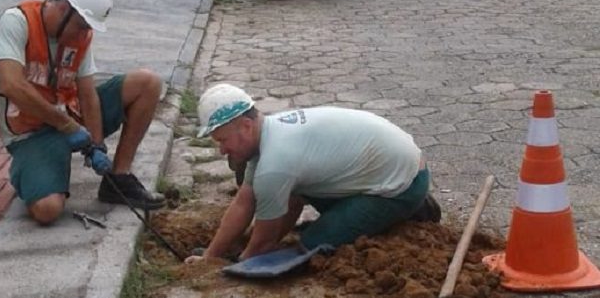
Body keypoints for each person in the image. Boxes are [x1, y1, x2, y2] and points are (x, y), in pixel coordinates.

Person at [0, 0, 165, 225]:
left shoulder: (80, 36)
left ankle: (118, 180)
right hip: (30, 133)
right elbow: (12, 85)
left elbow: (87, 94)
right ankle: (28, 171)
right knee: (47, 210)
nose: (84, 35)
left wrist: (97, 144)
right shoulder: (17, 23)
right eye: (81, 26)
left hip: (69, 120)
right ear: (62, 8)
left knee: (148, 83)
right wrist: (67, 126)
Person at [187, 83, 440, 262]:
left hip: (402, 184)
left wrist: (243, 260)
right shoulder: (270, 135)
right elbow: (244, 203)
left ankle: (407, 209)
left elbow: (261, 244)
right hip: (388, 167)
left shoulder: (275, 163)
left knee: (312, 245)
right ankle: (396, 210)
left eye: (223, 140)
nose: (221, 151)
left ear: (246, 126)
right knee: (294, 194)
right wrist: (212, 255)